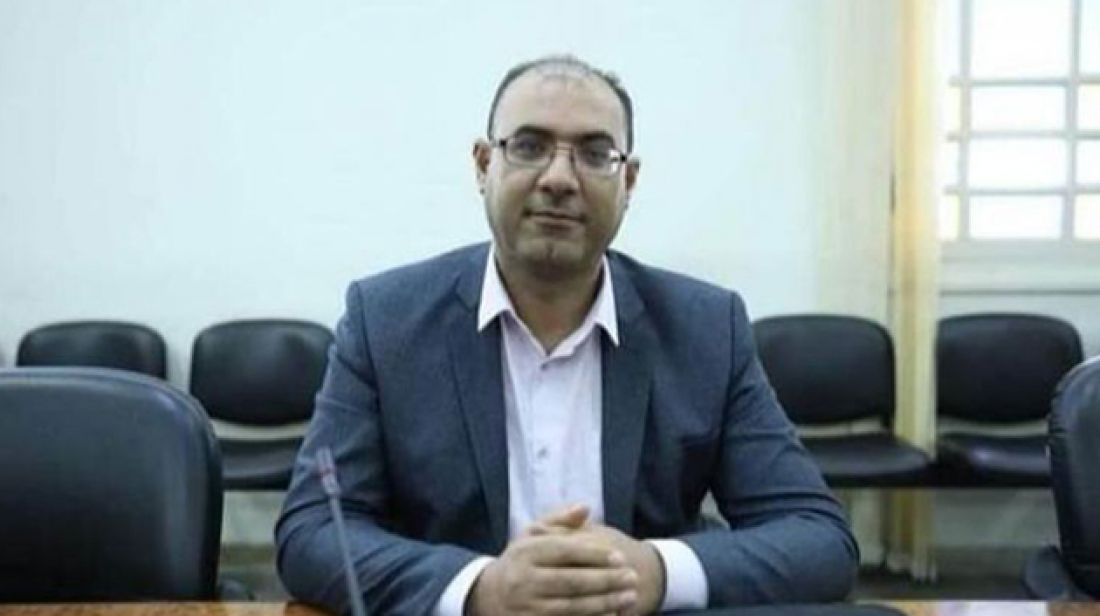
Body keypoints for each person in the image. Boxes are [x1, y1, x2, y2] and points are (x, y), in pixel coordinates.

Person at [276, 54, 858, 616]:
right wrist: (480, 590)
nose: (559, 178)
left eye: (595, 153)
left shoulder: (705, 328)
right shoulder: (385, 322)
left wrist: (655, 573)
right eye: (529, 146)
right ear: (483, 165)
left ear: (629, 181)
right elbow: (313, 531)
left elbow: (818, 538)